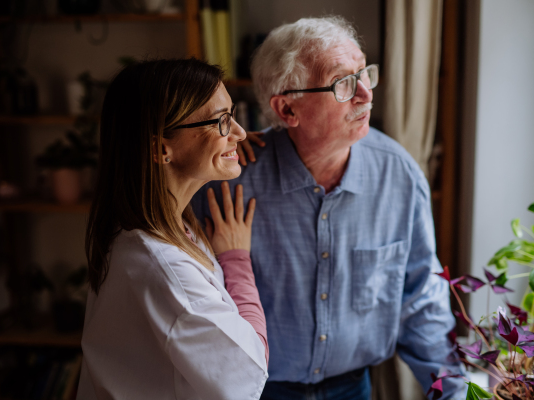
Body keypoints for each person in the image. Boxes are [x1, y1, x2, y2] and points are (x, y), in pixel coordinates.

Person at [192, 17, 465, 399]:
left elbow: (420, 300)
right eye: (343, 83)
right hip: (257, 390)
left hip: (354, 387)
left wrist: (454, 392)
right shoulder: (230, 184)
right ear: (287, 110)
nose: (366, 94)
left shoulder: (399, 176)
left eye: (364, 73)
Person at [77, 59, 268, 400]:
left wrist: (221, 142)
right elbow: (249, 369)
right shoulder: (164, 269)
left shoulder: (147, 227)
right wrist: (237, 261)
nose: (239, 132)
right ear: (160, 148)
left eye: (233, 115)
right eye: (222, 121)